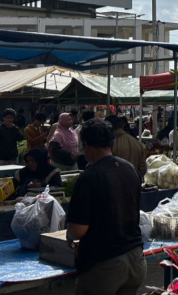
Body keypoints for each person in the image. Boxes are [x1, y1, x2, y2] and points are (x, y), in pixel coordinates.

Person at [66, 119, 146, 295]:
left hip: (106, 263)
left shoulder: (89, 177)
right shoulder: (130, 169)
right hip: (136, 259)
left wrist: (69, 235)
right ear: (112, 142)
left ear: (85, 145)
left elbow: (78, 230)